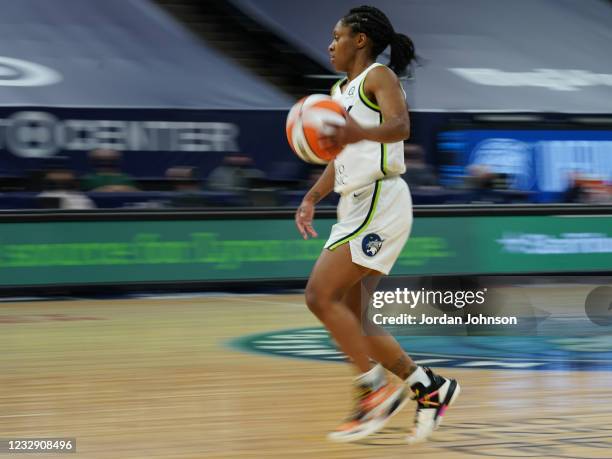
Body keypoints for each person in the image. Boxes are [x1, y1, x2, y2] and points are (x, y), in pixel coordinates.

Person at [295, 5, 460, 444]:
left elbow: (401, 126)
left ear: (360, 40)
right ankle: (428, 387)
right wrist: (312, 198)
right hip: (352, 204)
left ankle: (373, 392)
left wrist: (356, 134)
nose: (330, 45)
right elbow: (340, 156)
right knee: (353, 316)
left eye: (337, 36)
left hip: (380, 199)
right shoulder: (337, 90)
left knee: (318, 295)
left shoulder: (378, 78)